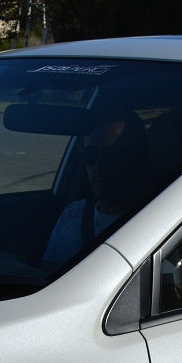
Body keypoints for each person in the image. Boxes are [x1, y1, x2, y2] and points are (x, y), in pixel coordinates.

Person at [43, 105, 149, 265]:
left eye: (113, 155)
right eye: (90, 155)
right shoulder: (73, 213)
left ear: (137, 157)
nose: (99, 166)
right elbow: (47, 269)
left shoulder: (150, 226)